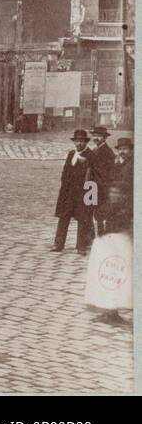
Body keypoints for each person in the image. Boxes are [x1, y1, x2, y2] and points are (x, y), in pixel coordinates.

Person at [84, 136, 132, 327]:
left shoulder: (130, 168)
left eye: (125, 149)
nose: (122, 152)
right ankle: (110, 310)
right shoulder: (117, 162)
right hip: (112, 218)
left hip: (122, 222)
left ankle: (114, 311)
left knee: (119, 266)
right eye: (120, 149)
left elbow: (122, 195)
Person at [53, 129, 96, 253]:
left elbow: (92, 176)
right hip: (68, 193)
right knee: (63, 217)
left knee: (83, 219)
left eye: (81, 141)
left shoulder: (90, 155)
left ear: (85, 142)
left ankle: (81, 246)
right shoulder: (71, 154)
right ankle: (58, 244)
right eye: (77, 141)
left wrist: (84, 164)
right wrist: (65, 185)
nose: (79, 144)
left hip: (82, 193)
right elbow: (65, 171)